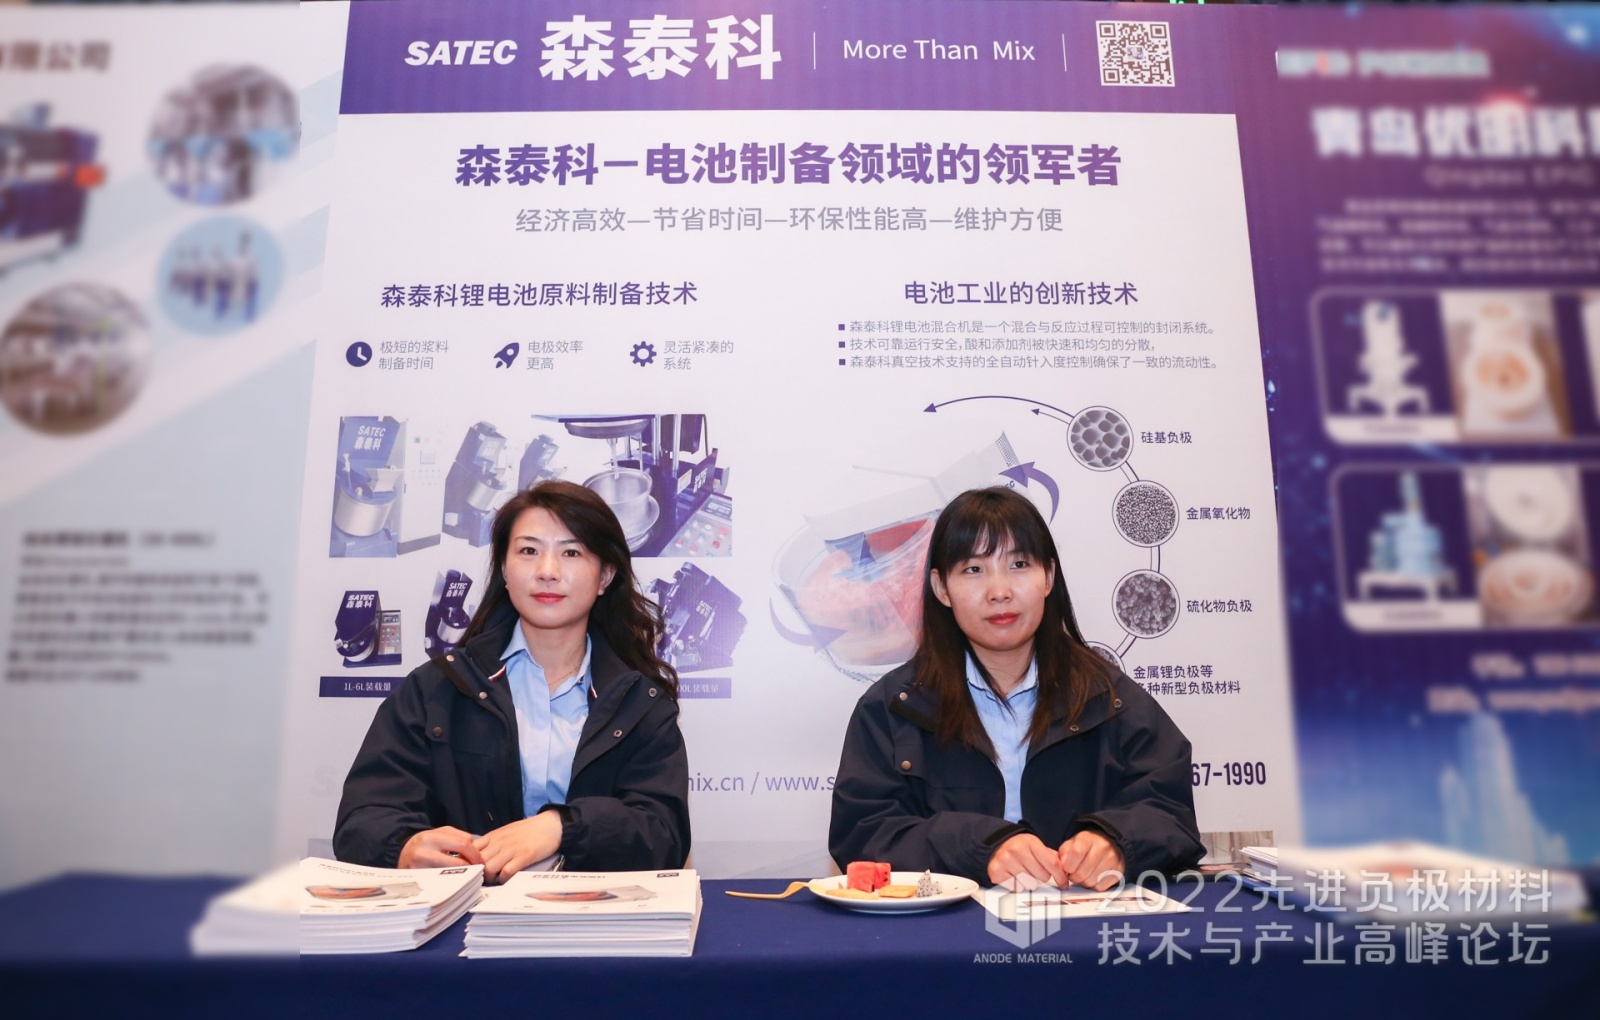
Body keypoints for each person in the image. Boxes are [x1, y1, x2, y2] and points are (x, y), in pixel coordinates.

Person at [829, 486, 1202, 890]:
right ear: (941, 588)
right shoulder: (893, 707)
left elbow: (1171, 814)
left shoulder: (1108, 696)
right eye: (974, 569)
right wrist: (981, 849)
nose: (999, 591)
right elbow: (862, 833)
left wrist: (1117, 842)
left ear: (1048, 577)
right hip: (946, 923)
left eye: (1019, 564)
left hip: (1083, 920)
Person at [334, 480, 690, 880]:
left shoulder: (640, 702)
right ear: (504, 569)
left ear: (605, 576)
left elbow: (664, 835)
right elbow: (363, 820)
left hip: (594, 912)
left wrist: (561, 827)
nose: (547, 572)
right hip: (464, 913)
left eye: (571, 552)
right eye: (528, 551)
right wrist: (402, 848)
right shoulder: (436, 688)